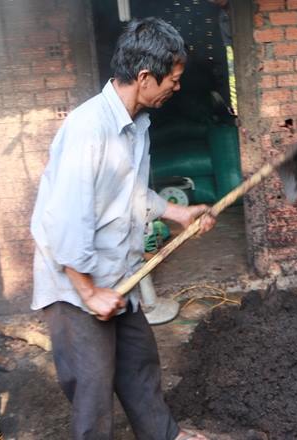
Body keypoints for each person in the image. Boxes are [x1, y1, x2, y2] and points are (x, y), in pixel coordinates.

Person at [30, 17, 212, 440]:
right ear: (146, 77)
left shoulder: (136, 126)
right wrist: (89, 291)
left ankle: (166, 436)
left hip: (119, 278)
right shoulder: (88, 130)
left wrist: (177, 213)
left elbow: (129, 194)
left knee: (139, 364)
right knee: (93, 393)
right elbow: (64, 222)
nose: (177, 87)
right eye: (175, 78)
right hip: (77, 289)